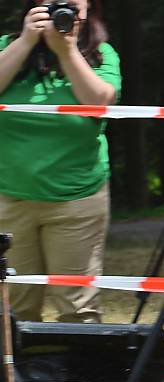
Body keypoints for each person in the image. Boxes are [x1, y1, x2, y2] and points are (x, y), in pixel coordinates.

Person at [0, 0, 119, 323]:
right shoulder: (9, 47)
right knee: (12, 309)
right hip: (10, 199)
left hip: (77, 201)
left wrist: (66, 52)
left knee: (78, 308)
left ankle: (77, 373)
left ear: (86, 7)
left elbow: (99, 103)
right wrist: (26, 41)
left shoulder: (101, 54)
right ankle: (15, 374)